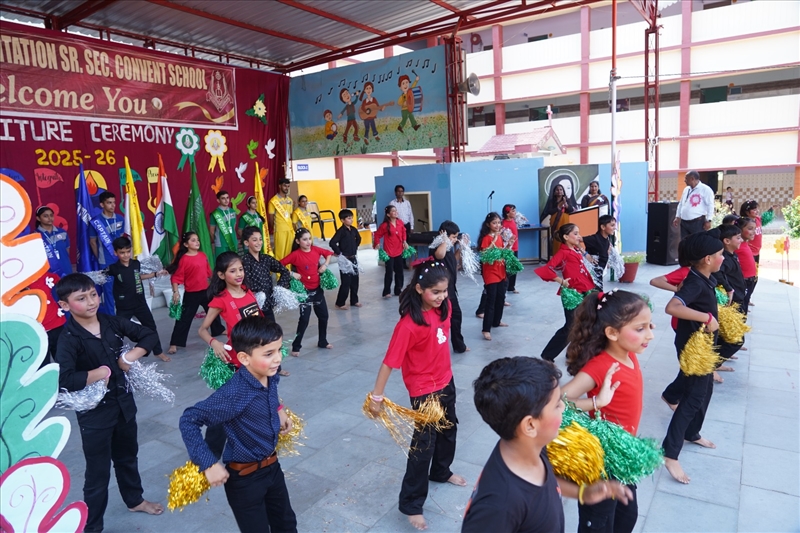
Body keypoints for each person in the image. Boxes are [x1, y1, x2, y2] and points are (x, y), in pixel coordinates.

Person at [463, 357, 632, 533]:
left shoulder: (528, 446)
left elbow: (549, 482)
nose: (564, 408)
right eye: (557, 405)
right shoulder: (499, 506)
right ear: (530, 425)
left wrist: (583, 493)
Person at [54, 273, 164, 532]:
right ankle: (92, 527)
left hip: (123, 405)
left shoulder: (111, 321)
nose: (91, 302)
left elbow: (148, 334)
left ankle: (134, 500)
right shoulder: (68, 338)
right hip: (95, 416)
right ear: (65, 305)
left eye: (93, 294)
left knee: (127, 457)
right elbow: (64, 379)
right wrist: (100, 373)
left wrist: (130, 356)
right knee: (97, 473)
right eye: (81, 298)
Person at [368, 258, 467, 531]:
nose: (442, 297)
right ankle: (411, 503)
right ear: (420, 289)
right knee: (424, 445)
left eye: (445, 291)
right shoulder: (408, 325)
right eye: (435, 292)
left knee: (449, 430)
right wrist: (377, 397)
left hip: (446, 381)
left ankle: (441, 471)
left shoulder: (445, 308)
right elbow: (389, 362)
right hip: (424, 391)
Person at [179, 316, 297, 533]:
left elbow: (271, 391)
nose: (278, 359)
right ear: (243, 358)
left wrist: (279, 410)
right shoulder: (234, 393)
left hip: (273, 468)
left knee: (287, 524)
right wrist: (208, 463)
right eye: (269, 354)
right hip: (245, 480)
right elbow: (189, 420)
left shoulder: (270, 373)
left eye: (279, 350)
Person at [560, 291, 653, 533]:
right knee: (599, 523)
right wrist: (595, 403)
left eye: (649, 326)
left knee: (626, 516)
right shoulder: (600, 366)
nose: (650, 335)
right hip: (602, 461)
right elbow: (557, 401)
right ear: (612, 333)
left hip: (623, 455)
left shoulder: (629, 354)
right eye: (640, 328)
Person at [662, 231, 723, 484]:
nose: (722, 258)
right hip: (693, 348)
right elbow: (672, 307)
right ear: (708, 259)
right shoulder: (695, 282)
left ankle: (692, 432)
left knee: (705, 390)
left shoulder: (704, 278)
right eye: (720, 255)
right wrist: (707, 317)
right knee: (694, 396)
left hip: (703, 346)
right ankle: (670, 454)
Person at [200, 251, 263, 456]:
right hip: (236, 362)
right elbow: (202, 329)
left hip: (256, 359)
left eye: (241, 269)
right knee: (225, 407)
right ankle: (209, 453)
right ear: (221, 275)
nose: (239, 274)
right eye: (233, 271)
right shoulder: (221, 300)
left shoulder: (247, 291)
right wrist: (214, 343)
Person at [534, 224, 598, 362]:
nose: (579, 236)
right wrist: (561, 281)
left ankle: (574, 353)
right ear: (565, 237)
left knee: (584, 324)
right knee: (570, 326)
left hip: (584, 291)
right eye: (575, 233)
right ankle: (548, 355)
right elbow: (547, 269)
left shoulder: (575, 249)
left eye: (578, 233)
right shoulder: (563, 252)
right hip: (571, 294)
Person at [107, 236, 170, 362]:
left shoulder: (136, 264)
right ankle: (115, 356)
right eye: (122, 252)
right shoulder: (113, 268)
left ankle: (158, 351)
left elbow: (138, 277)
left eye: (128, 251)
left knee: (151, 326)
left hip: (140, 303)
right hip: (124, 305)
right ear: (115, 253)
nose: (126, 255)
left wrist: (155, 274)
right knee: (118, 331)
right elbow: (100, 277)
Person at [166, 232, 225, 355]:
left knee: (213, 312)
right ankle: (174, 343)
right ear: (186, 244)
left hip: (206, 291)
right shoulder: (184, 259)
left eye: (197, 239)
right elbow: (176, 277)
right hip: (191, 294)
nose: (197, 242)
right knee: (184, 319)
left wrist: (218, 285)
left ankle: (218, 330)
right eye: (193, 240)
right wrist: (175, 292)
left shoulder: (203, 255)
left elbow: (209, 273)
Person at [280, 228, 334, 356]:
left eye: (309, 238)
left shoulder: (315, 250)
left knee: (324, 316)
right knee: (304, 319)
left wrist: (325, 265)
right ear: (298, 241)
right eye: (304, 239)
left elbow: (329, 253)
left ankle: (322, 341)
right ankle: (296, 346)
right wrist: (292, 273)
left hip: (318, 290)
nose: (308, 242)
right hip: (304, 292)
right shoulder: (295, 255)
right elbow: (279, 264)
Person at [240, 226, 297, 324]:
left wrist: (278, 288)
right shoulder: (244, 261)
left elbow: (284, 271)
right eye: (254, 240)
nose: (259, 243)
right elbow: (244, 283)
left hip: (268, 304)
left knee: (272, 330)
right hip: (253, 306)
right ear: (246, 243)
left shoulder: (266, 259)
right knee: (257, 331)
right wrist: (255, 294)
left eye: (260, 239)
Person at [714, 224, 747, 369]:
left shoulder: (732, 255)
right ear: (727, 241)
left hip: (739, 299)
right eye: (738, 238)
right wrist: (729, 288)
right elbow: (718, 273)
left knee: (727, 338)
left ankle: (716, 362)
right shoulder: (724, 259)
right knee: (736, 340)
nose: (741, 240)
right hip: (732, 303)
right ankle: (712, 365)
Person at [432, 220, 468, 353]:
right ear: (444, 235)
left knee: (456, 315)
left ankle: (459, 345)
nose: (455, 240)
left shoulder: (448, 247)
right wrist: (444, 240)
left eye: (456, 237)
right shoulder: (438, 246)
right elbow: (439, 255)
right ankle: (436, 346)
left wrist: (461, 248)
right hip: (440, 291)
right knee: (441, 318)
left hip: (450, 288)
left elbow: (453, 259)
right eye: (453, 237)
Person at [89, 191, 124, 314]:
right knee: (108, 290)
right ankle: (111, 317)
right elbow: (93, 242)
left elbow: (121, 238)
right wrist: (100, 258)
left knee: (123, 287)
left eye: (114, 202)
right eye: (109, 203)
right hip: (105, 261)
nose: (113, 205)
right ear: (102, 204)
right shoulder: (96, 221)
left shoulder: (120, 218)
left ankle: (124, 315)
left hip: (120, 259)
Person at [478, 212, 509, 341]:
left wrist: (509, 244)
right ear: (488, 225)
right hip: (490, 272)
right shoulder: (486, 238)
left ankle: (497, 321)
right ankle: (486, 329)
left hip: (500, 271)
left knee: (501, 298)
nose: (497, 225)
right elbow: (484, 254)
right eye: (494, 223)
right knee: (491, 300)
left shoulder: (500, 237)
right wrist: (494, 240)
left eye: (499, 223)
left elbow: (501, 252)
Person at [329, 209, 362, 310]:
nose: (351, 220)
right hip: (344, 260)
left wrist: (355, 247)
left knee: (355, 280)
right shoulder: (341, 231)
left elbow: (359, 238)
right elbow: (332, 242)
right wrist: (339, 252)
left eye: (352, 218)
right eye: (348, 218)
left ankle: (354, 300)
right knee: (346, 282)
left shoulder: (354, 229)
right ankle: (340, 303)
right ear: (342, 220)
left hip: (353, 258)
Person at [373, 205, 409, 298]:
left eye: (396, 210)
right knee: (389, 272)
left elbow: (404, 232)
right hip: (389, 252)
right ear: (388, 214)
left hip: (399, 250)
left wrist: (404, 241)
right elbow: (377, 235)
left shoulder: (400, 222)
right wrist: (377, 243)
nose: (396, 212)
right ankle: (386, 292)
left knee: (399, 271)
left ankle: (398, 290)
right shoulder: (385, 225)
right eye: (393, 211)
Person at [673, 170, 715, 240]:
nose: (684, 180)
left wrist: (709, 220)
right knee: (684, 242)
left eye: (686, 178)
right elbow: (681, 203)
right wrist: (677, 216)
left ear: (692, 178)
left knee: (697, 242)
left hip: (697, 222)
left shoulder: (705, 189)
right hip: (684, 222)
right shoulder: (686, 189)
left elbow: (710, 205)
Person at [540, 178, 578, 254]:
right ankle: (557, 256)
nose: (559, 191)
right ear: (554, 192)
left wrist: (566, 204)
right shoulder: (551, 201)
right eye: (557, 190)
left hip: (565, 222)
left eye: (561, 190)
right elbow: (550, 211)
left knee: (566, 238)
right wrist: (559, 205)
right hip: (555, 223)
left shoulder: (567, 200)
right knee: (557, 238)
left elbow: (570, 210)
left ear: (563, 191)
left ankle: (566, 256)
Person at [582, 214, 617, 290]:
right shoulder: (594, 239)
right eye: (612, 225)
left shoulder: (607, 238)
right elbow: (576, 240)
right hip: (591, 275)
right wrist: (585, 254)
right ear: (603, 227)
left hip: (599, 274)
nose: (615, 228)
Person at [36, 205, 72, 276]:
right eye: (45, 216)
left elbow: (67, 251)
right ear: (38, 218)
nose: (50, 218)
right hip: (48, 272)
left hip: (65, 268)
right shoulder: (35, 236)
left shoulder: (62, 232)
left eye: (51, 215)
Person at [739, 200, 763, 306]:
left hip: (757, 253)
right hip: (748, 253)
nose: (757, 211)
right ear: (747, 212)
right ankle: (743, 300)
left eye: (757, 208)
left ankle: (747, 299)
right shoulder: (743, 223)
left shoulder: (758, 220)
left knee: (755, 278)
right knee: (748, 278)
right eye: (754, 209)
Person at [735, 217, 758, 312]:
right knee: (741, 307)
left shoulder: (745, 243)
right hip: (743, 280)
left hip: (750, 280)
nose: (754, 232)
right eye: (750, 229)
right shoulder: (737, 245)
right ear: (740, 230)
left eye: (754, 229)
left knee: (745, 303)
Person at [269, 178, 294, 261]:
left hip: (289, 229)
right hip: (279, 230)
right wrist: (275, 227)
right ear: (280, 186)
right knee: (280, 253)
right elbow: (271, 217)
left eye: (288, 186)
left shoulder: (290, 200)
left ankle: (288, 268)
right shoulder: (273, 201)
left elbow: (290, 215)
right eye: (285, 186)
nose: (287, 188)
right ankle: (279, 269)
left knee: (289, 252)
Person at [210, 190, 238, 258]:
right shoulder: (215, 213)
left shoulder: (232, 211)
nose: (226, 200)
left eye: (227, 198)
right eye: (223, 198)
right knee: (222, 262)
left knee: (233, 261)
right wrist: (217, 240)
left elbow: (233, 226)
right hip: (221, 243)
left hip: (233, 241)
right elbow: (211, 231)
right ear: (218, 200)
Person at [502, 204, 520, 294]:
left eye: (515, 210)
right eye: (513, 211)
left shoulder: (514, 220)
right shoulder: (503, 223)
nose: (515, 212)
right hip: (509, 249)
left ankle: (511, 287)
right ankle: (505, 287)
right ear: (507, 213)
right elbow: (503, 236)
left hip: (515, 247)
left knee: (514, 267)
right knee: (507, 269)